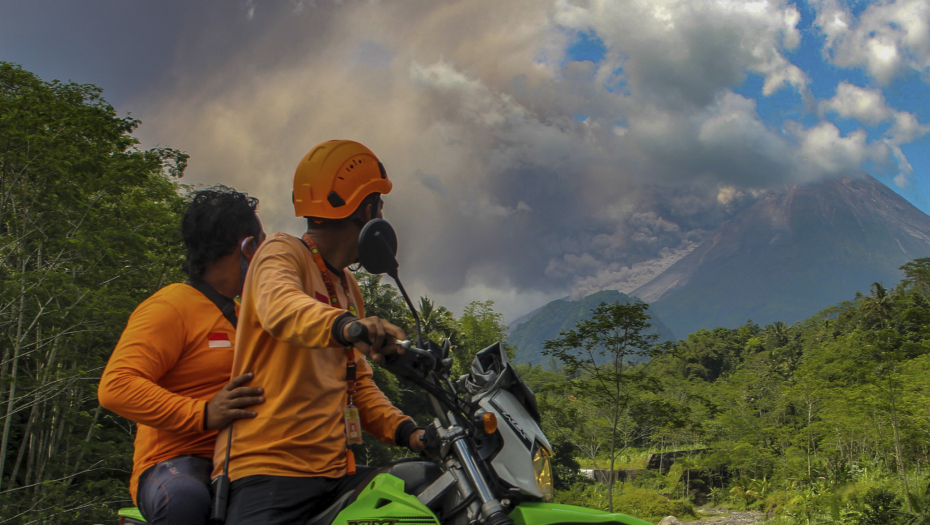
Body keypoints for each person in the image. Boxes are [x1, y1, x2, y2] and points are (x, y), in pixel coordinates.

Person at [217, 140, 425, 525]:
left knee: (425, 497)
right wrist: (346, 325)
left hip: (335, 473)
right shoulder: (281, 252)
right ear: (367, 210)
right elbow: (281, 306)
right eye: (379, 205)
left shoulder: (348, 287)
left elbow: (356, 381)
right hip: (268, 471)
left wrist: (410, 433)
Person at [99, 186, 267, 525]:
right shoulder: (170, 306)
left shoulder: (249, 317)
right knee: (185, 500)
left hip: (245, 458)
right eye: (262, 244)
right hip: (175, 463)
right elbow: (115, 387)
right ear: (247, 247)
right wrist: (204, 413)